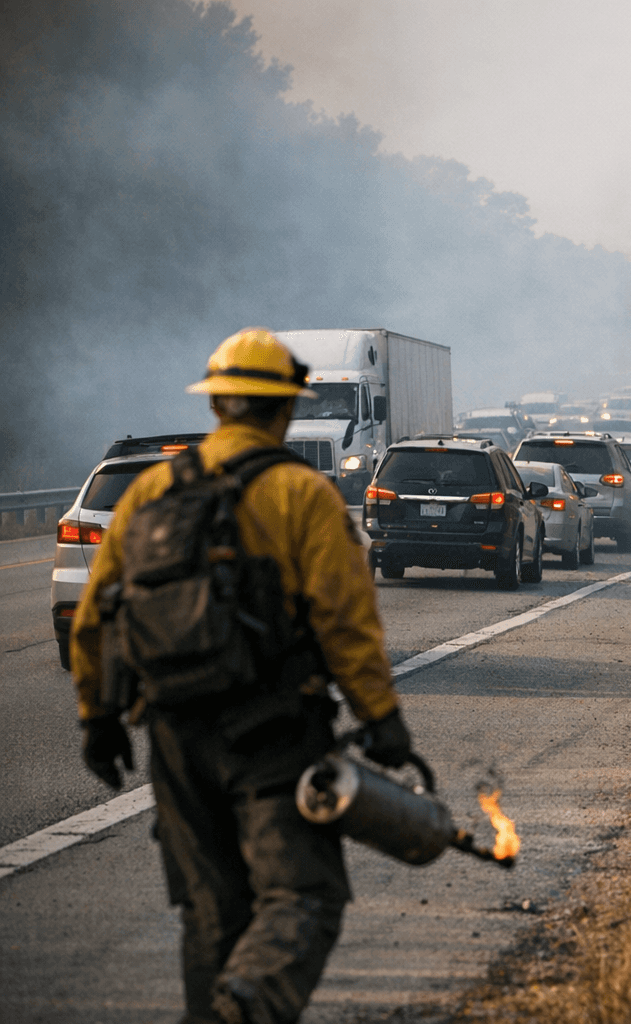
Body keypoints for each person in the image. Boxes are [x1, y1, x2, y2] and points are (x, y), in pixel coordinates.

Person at [70, 328, 411, 1024]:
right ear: (284, 409)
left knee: (210, 913)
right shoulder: (302, 495)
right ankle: (245, 1009)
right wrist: (382, 719)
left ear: (219, 404)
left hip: (172, 733)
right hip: (273, 731)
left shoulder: (152, 490)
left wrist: (98, 720)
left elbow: (96, 615)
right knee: (304, 896)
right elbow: (345, 621)